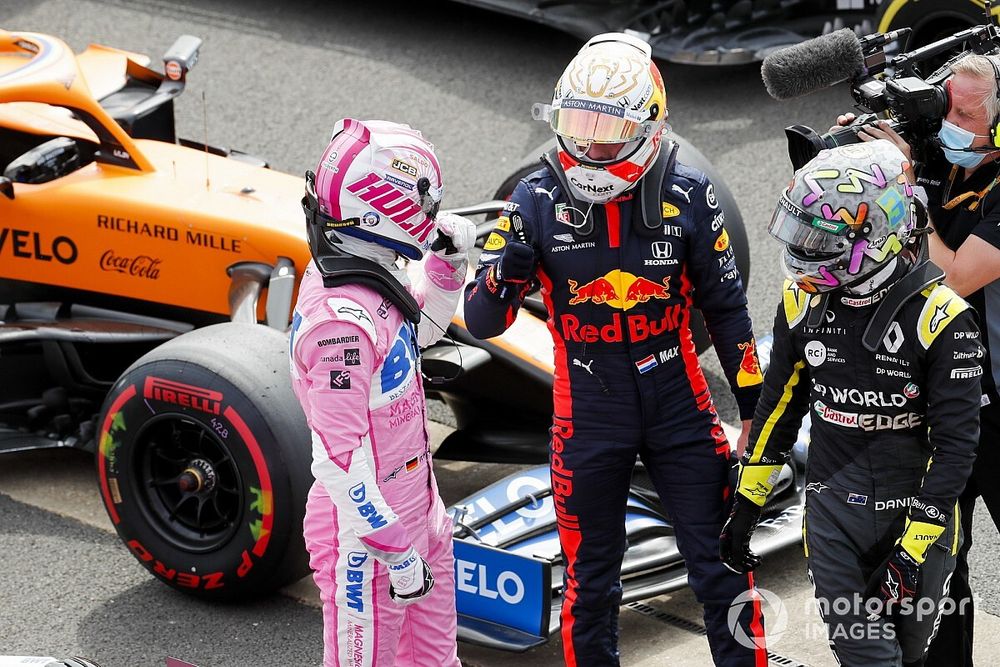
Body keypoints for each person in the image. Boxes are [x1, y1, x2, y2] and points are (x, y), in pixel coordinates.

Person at [464, 32, 768, 667]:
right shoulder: (534, 198)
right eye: (578, 124)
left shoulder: (690, 190)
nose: (591, 144)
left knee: (723, 569)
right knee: (592, 585)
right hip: (588, 411)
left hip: (680, 407)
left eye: (608, 128)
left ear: (648, 125)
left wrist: (756, 421)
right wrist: (504, 267)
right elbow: (482, 320)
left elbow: (730, 314)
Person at [720, 139, 984, 666]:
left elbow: (956, 447)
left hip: (916, 521)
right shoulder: (801, 301)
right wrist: (747, 501)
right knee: (867, 658)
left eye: (819, 237)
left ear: (877, 236)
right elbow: (778, 407)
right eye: (800, 231)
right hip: (832, 510)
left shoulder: (943, 318)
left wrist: (913, 550)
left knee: (909, 658)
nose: (802, 250)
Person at [288, 118, 475, 667]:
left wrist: (447, 268)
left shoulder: (369, 272)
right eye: (421, 200)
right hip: (364, 542)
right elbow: (339, 463)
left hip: (418, 513)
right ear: (379, 207)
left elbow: (417, 336)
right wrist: (394, 553)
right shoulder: (339, 326)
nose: (429, 212)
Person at [835, 53, 1000, 666]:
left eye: (967, 111)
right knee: (933, 574)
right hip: (936, 403)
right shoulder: (932, 162)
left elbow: (954, 278)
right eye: (945, 103)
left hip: (999, 409)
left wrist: (903, 187)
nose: (950, 119)